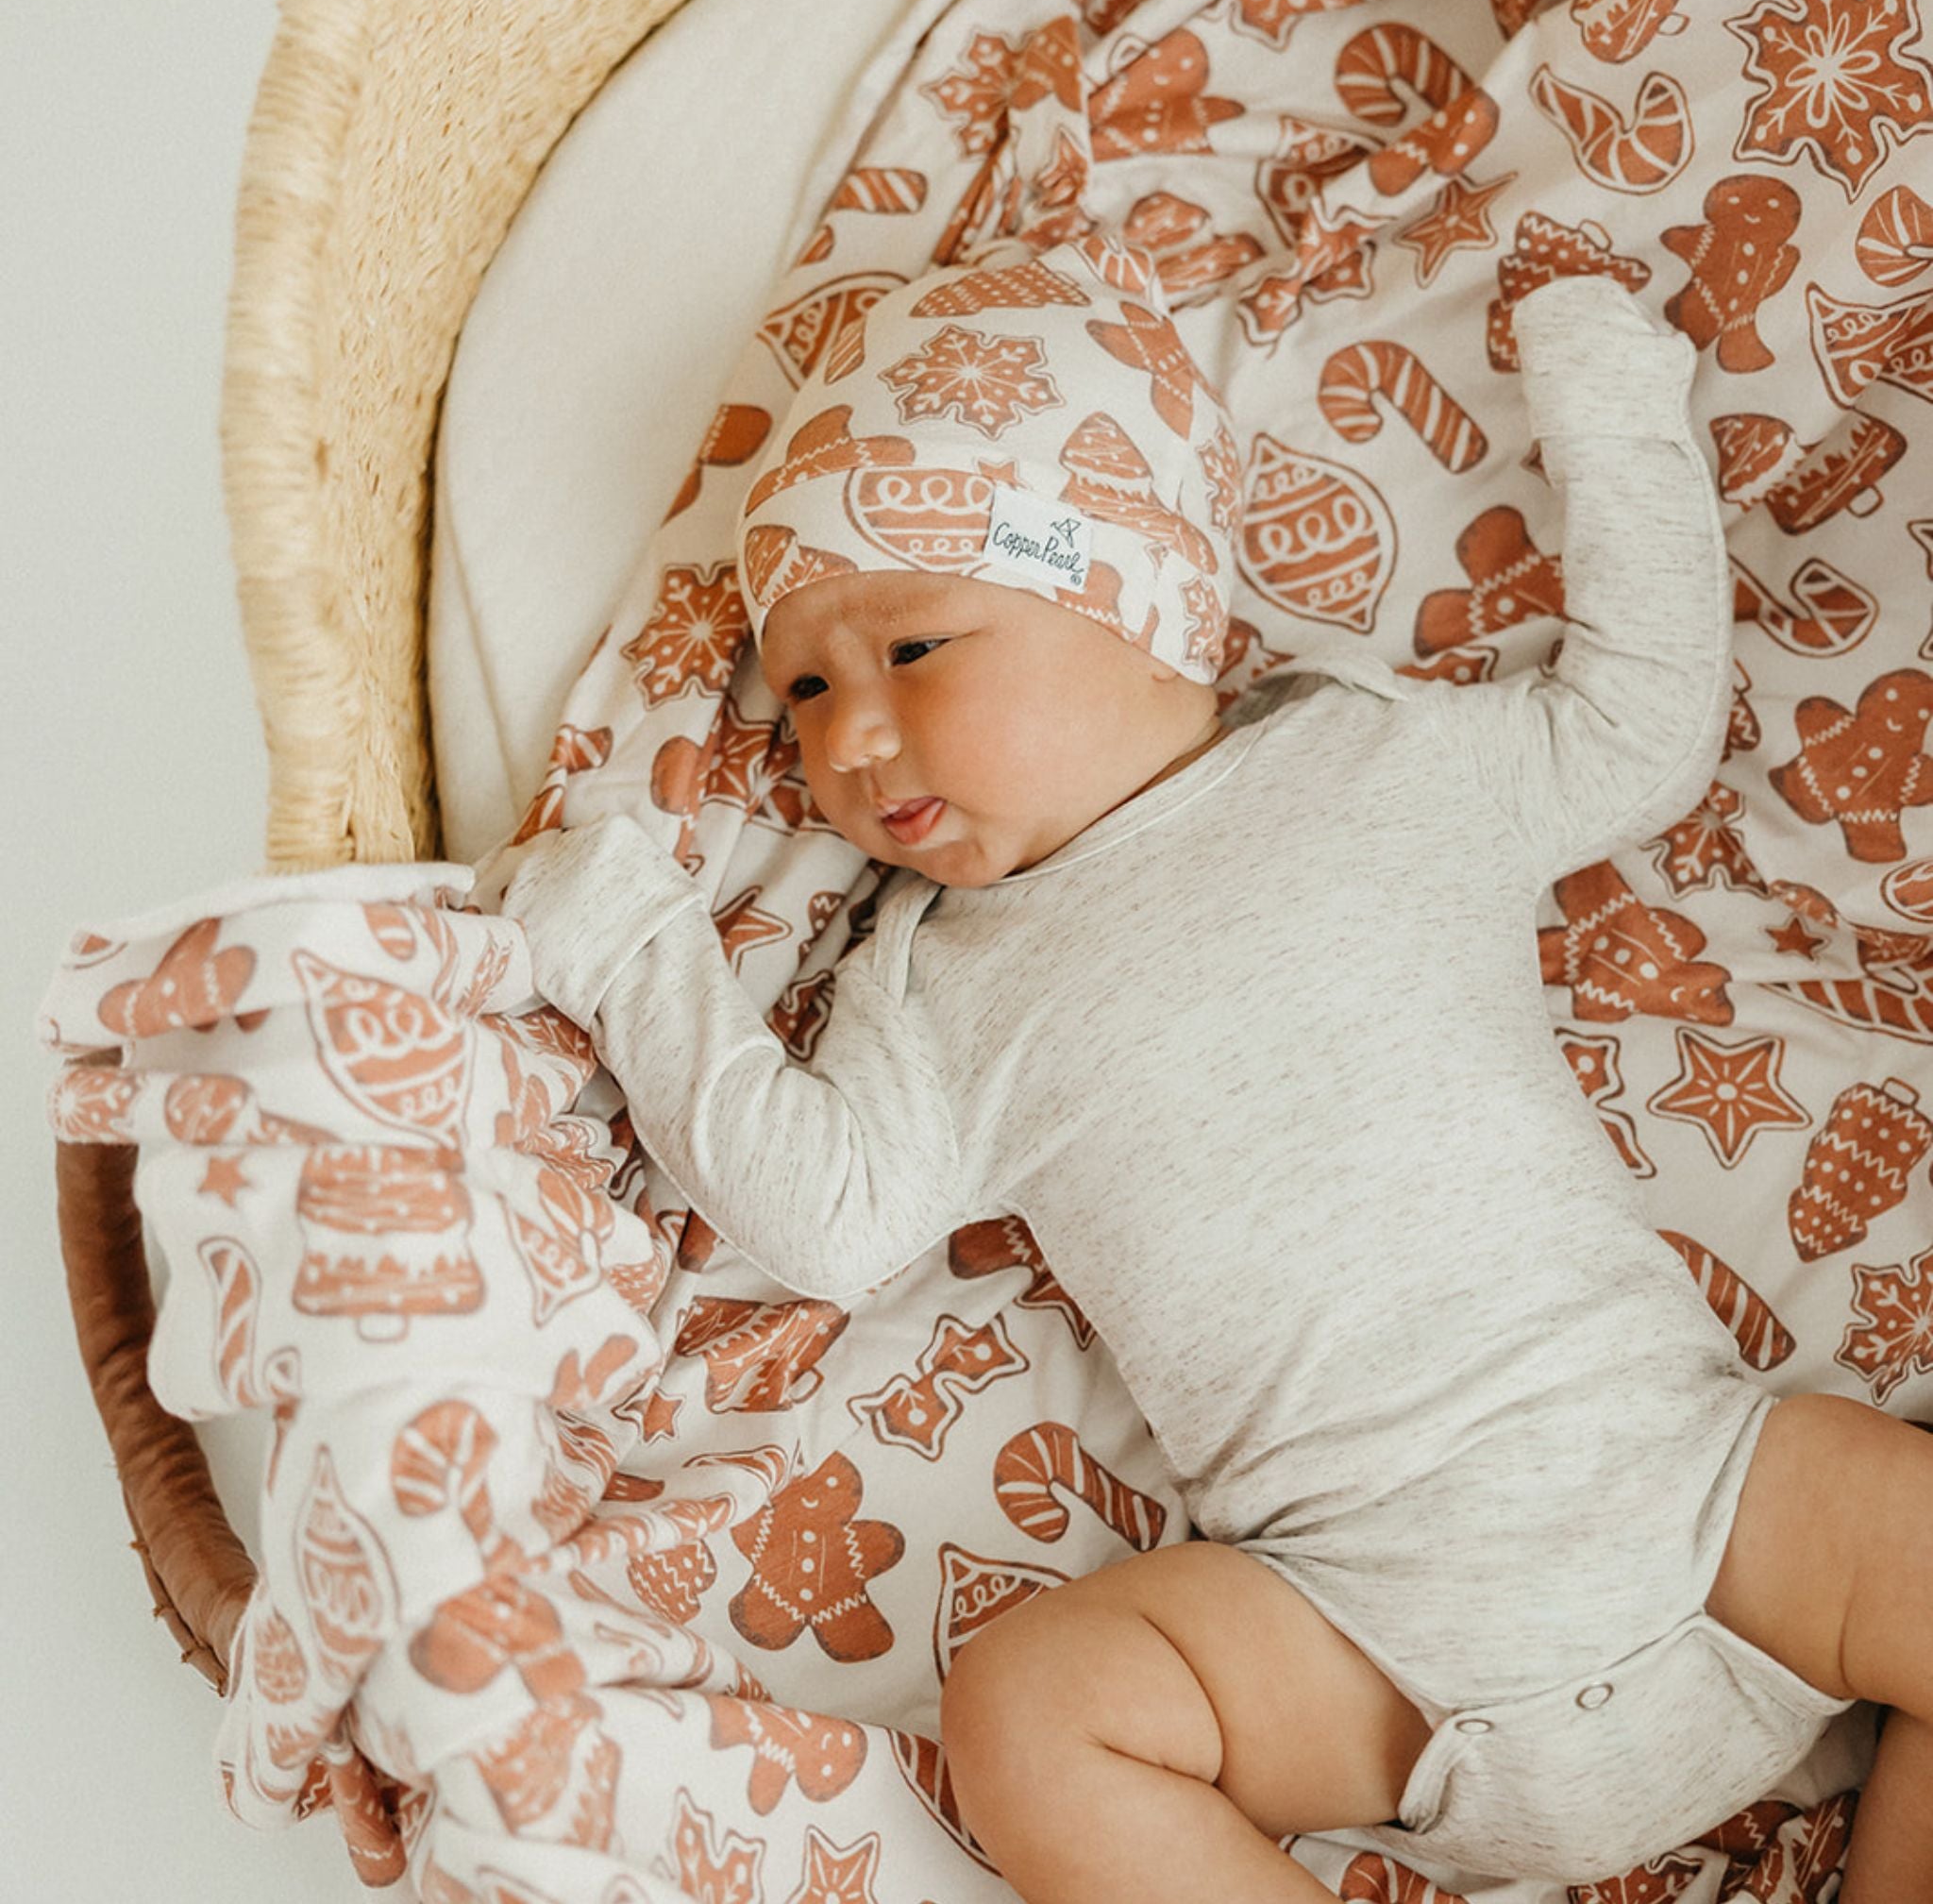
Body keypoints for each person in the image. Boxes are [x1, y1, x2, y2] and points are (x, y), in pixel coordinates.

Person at [496, 242, 1933, 1900]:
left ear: (1130, 602)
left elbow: (1639, 722)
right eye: (806, 686)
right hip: (1376, 1642)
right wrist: (630, 951)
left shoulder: (1375, 763)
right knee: (1028, 1716)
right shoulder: (938, 983)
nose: (844, 739)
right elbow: (820, 1215)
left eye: (913, 651)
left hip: (1712, 1507)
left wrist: (1611, 406)